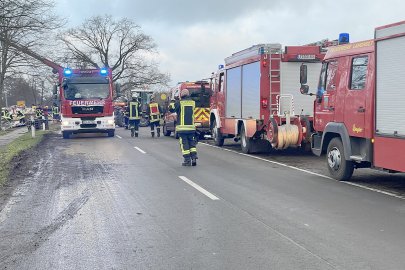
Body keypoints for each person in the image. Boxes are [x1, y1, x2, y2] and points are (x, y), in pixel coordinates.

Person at [171, 89, 198, 166]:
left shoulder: (179, 103)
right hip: (191, 128)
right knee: (192, 144)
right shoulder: (193, 102)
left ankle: (187, 160)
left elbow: (171, 108)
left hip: (182, 128)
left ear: (181, 95)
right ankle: (194, 158)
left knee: (184, 144)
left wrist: (173, 100)